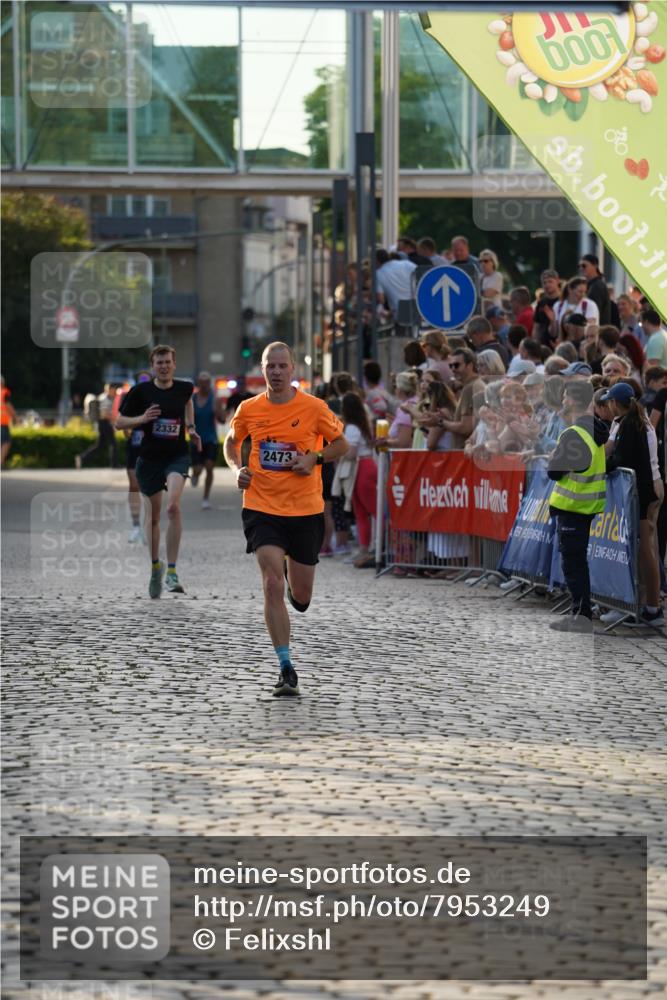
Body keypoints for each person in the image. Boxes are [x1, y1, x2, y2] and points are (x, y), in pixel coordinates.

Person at [223, 342, 348, 697]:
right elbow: (231, 443)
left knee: (302, 597)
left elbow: (341, 444)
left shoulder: (314, 407)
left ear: (293, 368)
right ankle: (285, 666)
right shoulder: (249, 409)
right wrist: (237, 469)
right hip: (262, 507)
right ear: (262, 369)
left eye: (282, 366)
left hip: (305, 510)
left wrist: (314, 458)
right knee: (270, 583)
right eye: (270, 366)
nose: (276, 372)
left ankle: (295, 580)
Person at [116, 345, 201, 598]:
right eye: (159, 363)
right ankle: (156, 567)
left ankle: (172, 571)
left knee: (173, 507)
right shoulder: (141, 392)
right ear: (152, 366)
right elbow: (119, 422)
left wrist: (191, 428)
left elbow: (188, 403)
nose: (163, 366)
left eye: (167, 362)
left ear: (174, 364)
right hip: (149, 459)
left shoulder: (185, 388)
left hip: (176, 456)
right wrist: (141, 419)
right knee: (153, 518)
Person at [548, 380, 609, 632]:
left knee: (574, 565)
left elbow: (555, 472)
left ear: (572, 400)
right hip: (585, 506)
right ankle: (579, 613)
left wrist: (553, 458)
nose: (563, 400)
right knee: (576, 563)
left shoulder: (575, 433)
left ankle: (581, 616)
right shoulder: (594, 430)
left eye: (565, 396)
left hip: (573, 506)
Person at [601, 381, 664, 624]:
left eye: (609, 401)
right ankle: (644, 605)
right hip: (646, 487)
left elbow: (620, 458)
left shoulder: (631, 424)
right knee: (644, 549)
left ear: (614, 403)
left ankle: (651, 607)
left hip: (644, 490)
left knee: (646, 549)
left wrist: (600, 467)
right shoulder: (633, 421)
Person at [340, 391, 377, 569]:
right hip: (366, 466)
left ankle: (369, 547)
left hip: (360, 467)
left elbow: (351, 452)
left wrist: (338, 452)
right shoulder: (364, 425)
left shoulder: (352, 428)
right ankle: (367, 548)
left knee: (365, 510)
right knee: (365, 510)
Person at [121, 370, 152, 544]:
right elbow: (121, 422)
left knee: (149, 489)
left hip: (152, 450)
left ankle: (149, 526)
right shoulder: (130, 400)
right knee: (134, 485)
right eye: (140, 382)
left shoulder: (156, 399)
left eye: (146, 381)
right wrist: (129, 427)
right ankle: (136, 527)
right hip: (134, 448)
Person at [190, 371, 225, 510]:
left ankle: (206, 498)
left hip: (211, 439)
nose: (204, 386)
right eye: (202, 383)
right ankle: (195, 474)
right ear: (198, 384)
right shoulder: (192, 399)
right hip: (196, 439)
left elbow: (222, 420)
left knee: (209, 467)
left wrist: (219, 412)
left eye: (207, 383)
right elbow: (187, 418)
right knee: (198, 469)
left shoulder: (215, 399)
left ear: (210, 383)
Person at [438, 348, 485, 448]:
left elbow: (466, 427)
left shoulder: (470, 387)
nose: (453, 369)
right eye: (451, 366)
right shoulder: (474, 384)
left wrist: (440, 422)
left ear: (470, 365)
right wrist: (448, 418)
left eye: (456, 365)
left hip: (465, 451)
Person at [75, 384, 119, 469]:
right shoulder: (105, 399)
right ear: (110, 389)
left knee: (100, 445)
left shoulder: (102, 397)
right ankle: (114, 464)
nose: (115, 392)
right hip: (104, 423)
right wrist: (116, 418)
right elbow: (104, 414)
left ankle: (82, 458)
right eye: (114, 390)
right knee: (113, 443)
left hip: (101, 423)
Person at [579, 254, 611, 325]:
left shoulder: (597, 286)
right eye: (579, 266)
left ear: (595, 266)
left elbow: (593, 313)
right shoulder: (592, 285)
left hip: (596, 328)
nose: (581, 268)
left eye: (584, 266)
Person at [532, 269, 561, 345]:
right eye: (544, 282)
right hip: (543, 345)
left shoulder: (563, 301)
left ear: (557, 281)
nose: (547, 285)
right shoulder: (541, 302)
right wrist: (535, 344)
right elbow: (536, 327)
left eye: (550, 281)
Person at [1, 376, 16, 468]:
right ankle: (1, 462)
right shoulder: (4, 393)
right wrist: (16, 418)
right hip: (2, 423)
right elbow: (8, 406)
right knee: (6, 442)